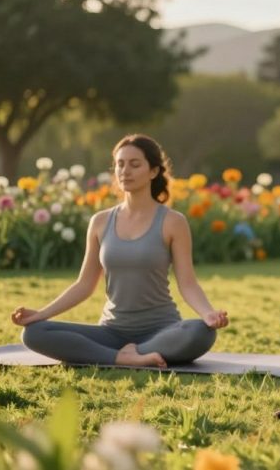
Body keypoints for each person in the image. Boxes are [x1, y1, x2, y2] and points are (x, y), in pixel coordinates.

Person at [12, 134, 229, 367]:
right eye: (120, 164)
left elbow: (187, 283)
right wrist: (41, 315)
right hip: (111, 333)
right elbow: (84, 285)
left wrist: (207, 314)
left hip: (161, 332)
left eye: (135, 165)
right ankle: (123, 358)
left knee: (199, 332)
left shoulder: (173, 221)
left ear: (154, 171)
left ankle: (132, 353)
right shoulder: (100, 222)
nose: (125, 171)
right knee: (33, 333)